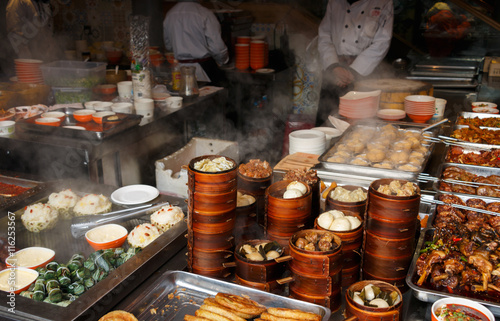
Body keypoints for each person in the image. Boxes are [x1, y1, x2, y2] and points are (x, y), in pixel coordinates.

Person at [315, 0, 394, 126]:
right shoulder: (334, 2)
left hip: (364, 72)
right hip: (334, 72)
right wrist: (334, 67)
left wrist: (353, 72)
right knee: (326, 123)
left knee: (361, 125)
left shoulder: (383, 2)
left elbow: (382, 42)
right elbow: (324, 37)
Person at [163, 0, 229, 86]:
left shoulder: (170, 14)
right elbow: (217, 47)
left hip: (179, 70)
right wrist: (223, 61)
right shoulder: (204, 13)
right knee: (209, 96)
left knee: (184, 96)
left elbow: (168, 45)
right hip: (204, 69)